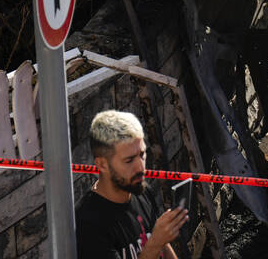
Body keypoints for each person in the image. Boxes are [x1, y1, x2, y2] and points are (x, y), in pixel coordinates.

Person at [75, 110, 188, 259]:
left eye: (142, 155)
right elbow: (157, 242)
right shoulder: (88, 223)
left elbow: (164, 248)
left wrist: (160, 239)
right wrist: (155, 242)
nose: (140, 167)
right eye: (129, 160)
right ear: (102, 164)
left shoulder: (140, 190)